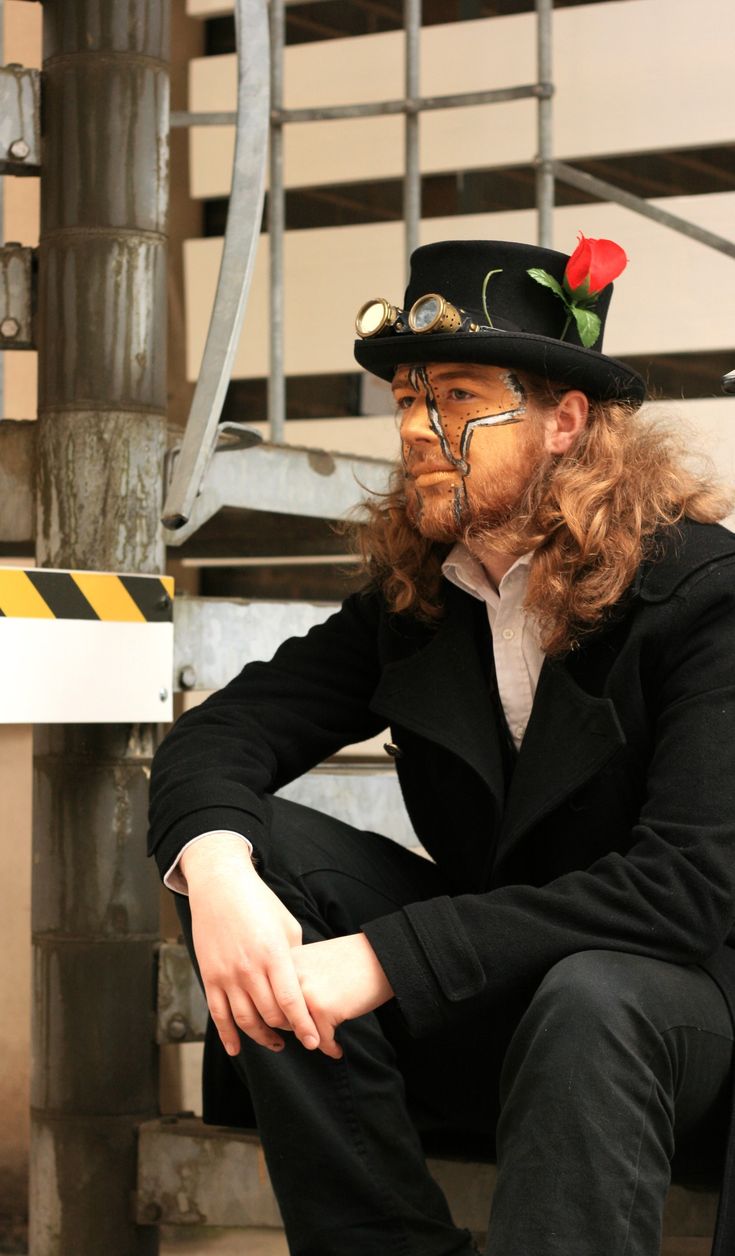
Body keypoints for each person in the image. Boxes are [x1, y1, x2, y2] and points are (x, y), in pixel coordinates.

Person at [148, 237, 735, 1256]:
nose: (421, 429)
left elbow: (682, 891)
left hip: (667, 1026)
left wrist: (382, 957)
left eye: (460, 396)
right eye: (410, 399)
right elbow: (224, 731)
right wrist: (220, 873)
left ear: (565, 420)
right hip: (493, 1004)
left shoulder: (705, 595)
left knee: (592, 993)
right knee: (263, 855)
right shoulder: (423, 594)